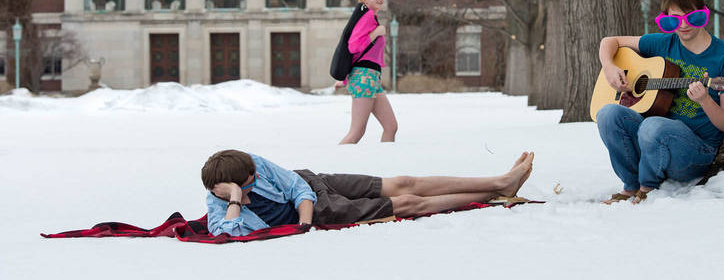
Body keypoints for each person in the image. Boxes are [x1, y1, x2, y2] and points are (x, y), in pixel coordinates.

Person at [595, 0, 724, 204]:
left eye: (692, 17)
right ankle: (630, 187)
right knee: (608, 114)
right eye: (673, 20)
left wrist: (705, 100)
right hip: (652, 145)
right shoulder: (664, 43)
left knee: (653, 124)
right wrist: (609, 66)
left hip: (693, 153)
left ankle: (647, 189)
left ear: (703, 14)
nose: (683, 25)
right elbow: (610, 41)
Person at [201, 149, 535, 236]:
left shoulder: (249, 162)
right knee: (407, 203)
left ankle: (498, 182)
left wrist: (303, 223)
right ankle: (496, 189)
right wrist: (234, 199)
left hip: (317, 186)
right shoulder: (222, 204)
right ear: (234, 184)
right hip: (325, 212)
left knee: (403, 181)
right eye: (250, 178)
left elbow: (295, 185)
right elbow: (227, 234)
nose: (257, 176)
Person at [333, 0, 398, 144]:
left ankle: (386, 166)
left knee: (391, 126)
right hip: (364, 77)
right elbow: (354, 46)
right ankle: (333, 165)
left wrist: (346, 78)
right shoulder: (367, 16)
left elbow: (361, 54)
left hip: (371, 78)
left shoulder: (370, 17)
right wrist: (376, 33)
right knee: (357, 132)